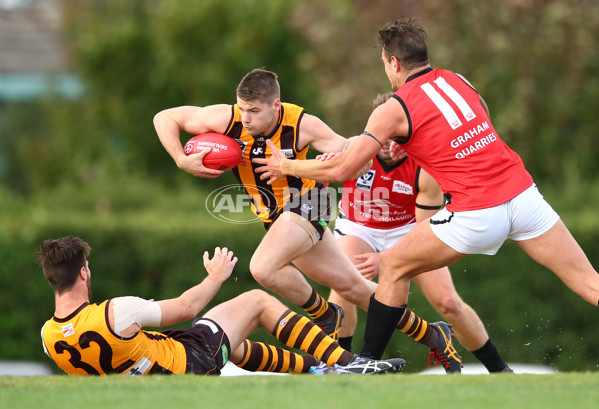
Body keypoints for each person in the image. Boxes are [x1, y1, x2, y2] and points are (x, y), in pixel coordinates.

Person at [253, 18, 599, 367]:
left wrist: (287, 167)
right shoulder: (458, 80)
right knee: (588, 282)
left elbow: (344, 168)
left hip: (477, 210)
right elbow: (477, 119)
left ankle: (368, 361)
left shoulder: (392, 108)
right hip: (524, 195)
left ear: (394, 63)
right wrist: (420, 144)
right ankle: (496, 370)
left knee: (392, 268)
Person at [153, 68, 462, 372]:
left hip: (311, 203)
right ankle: (434, 336)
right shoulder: (227, 119)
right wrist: (181, 158)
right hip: (277, 217)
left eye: (254, 111)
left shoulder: (302, 125)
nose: (246, 119)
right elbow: (165, 117)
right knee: (355, 288)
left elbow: (361, 160)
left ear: (276, 106)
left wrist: (322, 160)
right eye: (243, 109)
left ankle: (325, 315)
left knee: (262, 267)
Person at [327, 94, 511, 373]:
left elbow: (424, 230)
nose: (387, 143)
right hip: (358, 227)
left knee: (449, 303)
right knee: (346, 282)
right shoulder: (353, 149)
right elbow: (320, 170)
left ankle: (499, 371)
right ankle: (341, 366)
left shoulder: (425, 169)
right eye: (381, 134)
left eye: (395, 135)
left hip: (407, 231)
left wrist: (390, 258)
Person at [39, 236, 405, 376]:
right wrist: (215, 275)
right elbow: (186, 307)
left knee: (235, 342)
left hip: (158, 371)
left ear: (52, 279)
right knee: (257, 301)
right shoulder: (116, 310)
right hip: (188, 363)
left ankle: (316, 370)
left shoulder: (48, 336)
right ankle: (348, 363)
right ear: (84, 272)